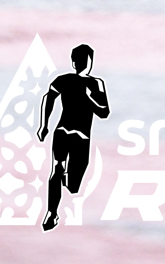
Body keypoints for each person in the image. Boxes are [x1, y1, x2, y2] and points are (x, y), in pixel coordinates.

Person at [37, 43, 109, 230]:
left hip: (76, 136)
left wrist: (88, 98)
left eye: (85, 60)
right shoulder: (66, 80)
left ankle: (64, 181)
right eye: (80, 60)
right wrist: (44, 124)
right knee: (57, 168)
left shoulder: (95, 83)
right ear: (74, 62)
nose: (83, 64)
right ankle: (52, 212)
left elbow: (104, 112)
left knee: (72, 184)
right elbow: (48, 98)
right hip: (67, 132)